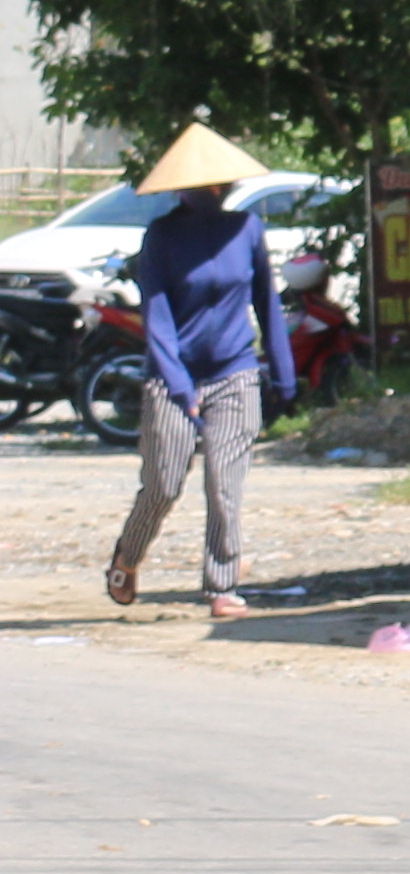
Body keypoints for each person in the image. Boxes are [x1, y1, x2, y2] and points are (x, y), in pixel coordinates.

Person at [102, 124, 282, 618]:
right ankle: (128, 555)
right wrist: (180, 388)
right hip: (172, 375)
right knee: (163, 484)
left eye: (215, 185)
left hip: (235, 373)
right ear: (180, 188)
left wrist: (283, 375)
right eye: (198, 186)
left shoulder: (246, 230)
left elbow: (267, 303)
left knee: (225, 483)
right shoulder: (161, 236)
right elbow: (156, 318)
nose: (208, 192)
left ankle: (221, 584)